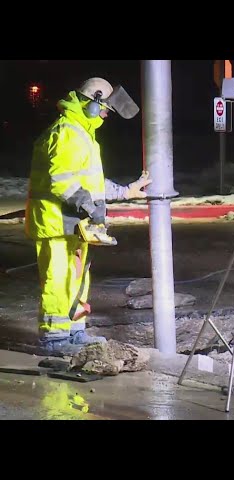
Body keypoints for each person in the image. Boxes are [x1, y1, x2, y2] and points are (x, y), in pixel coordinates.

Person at [25, 77, 151, 356]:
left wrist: (124, 191)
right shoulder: (68, 132)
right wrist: (90, 207)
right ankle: (54, 339)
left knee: (78, 279)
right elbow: (61, 181)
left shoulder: (83, 134)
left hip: (73, 222)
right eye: (106, 109)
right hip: (55, 222)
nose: (107, 115)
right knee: (58, 280)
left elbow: (90, 182)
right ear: (93, 103)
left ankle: (74, 331)